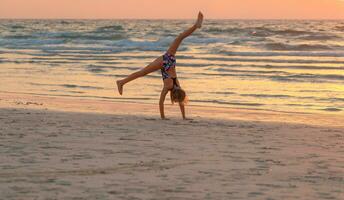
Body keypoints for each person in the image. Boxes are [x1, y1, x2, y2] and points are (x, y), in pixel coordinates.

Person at [116, 12, 203, 120]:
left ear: (180, 91)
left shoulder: (176, 85)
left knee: (179, 38)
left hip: (169, 60)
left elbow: (176, 102)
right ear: (173, 96)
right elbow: (161, 103)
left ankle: (195, 26)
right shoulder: (169, 87)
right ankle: (121, 82)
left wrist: (182, 117)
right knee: (142, 72)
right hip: (164, 63)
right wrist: (165, 117)